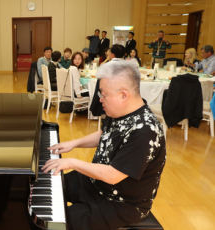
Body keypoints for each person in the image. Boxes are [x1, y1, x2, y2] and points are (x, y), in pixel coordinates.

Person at [43, 60, 166, 230]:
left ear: (123, 95)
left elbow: (113, 175)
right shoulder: (121, 110)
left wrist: (71, 162)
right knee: (49, 183)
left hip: (121, 203)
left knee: (60, 224)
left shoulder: (145, 130)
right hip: (97, 184)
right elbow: (104, 134)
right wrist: (74, 143)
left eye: (103, 94)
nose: (100, 99)